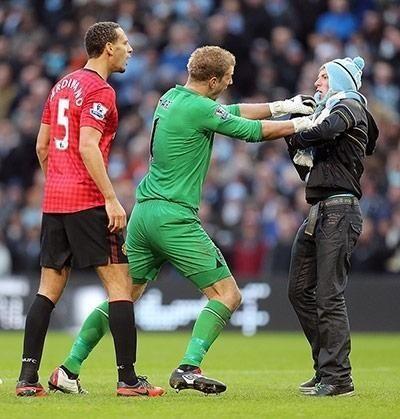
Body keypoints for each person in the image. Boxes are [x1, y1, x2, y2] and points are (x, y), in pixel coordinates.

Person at [52, 45, 316, 395]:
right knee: (227, 294)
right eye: (227, 78)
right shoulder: (198, 108)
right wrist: (301, 123)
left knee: (123, 296)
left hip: (144, 213)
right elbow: (248, 132)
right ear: (212, 80)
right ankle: (189, 367)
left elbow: (227, 112)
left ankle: (68, 368)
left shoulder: (172, 98)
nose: (230, 82)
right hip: (173, 217)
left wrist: (283, 106)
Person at [16, 21, 164, 398]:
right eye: (125, 43)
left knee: (47, 289)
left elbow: (42, 147)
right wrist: (111, 197)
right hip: (87, 200)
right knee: (120, 286)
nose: (130, 49)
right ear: (107, 49)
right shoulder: (101, 91)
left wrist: (58, 182)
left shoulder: (61, 85)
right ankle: (128, 380)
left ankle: (27, 380)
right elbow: (87, 146)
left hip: (54, 202)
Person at [286, 56, 379, 397]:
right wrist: (296, 128)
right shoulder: (329, 113)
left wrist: (297, 127)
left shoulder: (351, 104)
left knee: (328, 294)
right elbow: (304, 167)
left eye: (323, 76)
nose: (316, 83)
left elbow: (323, 131)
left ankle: (338, 378)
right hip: (320, 210)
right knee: (299, 292)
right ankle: (326, 368)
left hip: (339, 210)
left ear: (341, 80)